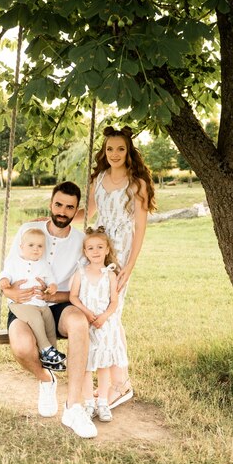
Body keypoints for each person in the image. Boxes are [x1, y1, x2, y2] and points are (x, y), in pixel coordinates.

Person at [2, 181, 98, 439]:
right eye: (58, 204)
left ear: (77, 210)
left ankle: (73, 408)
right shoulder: (28, 230)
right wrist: (9, 291)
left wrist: (57, 295)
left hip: (59, 304)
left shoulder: (80, 241)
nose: (62, 211)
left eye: (70, 207)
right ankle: (46, 379)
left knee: (78, 323)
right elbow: (9, 268)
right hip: (26, 303)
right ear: (50, 203)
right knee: (22, 347)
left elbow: (80, 287)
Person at [75, 125, 156, 408]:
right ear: (104, 151)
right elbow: (87, 214)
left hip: (119, 255)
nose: (115, 154)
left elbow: (140, 229)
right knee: (98, 313)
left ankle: (119, 386)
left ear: (129, 151)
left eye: (120, 148)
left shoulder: (137, 184)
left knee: (111, 314)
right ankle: (114, 382)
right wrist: (53, 221)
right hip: (97, 252)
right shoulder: (98, 179)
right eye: (110, 149)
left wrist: (128, 267)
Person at [69, 226, 128, 423]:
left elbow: (114, 302)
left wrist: (103, 317)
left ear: (107, 250)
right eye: (90, 248)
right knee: (86, 364)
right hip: (87, 324)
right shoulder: (81, 273)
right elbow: (74, 297)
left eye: (99, 247)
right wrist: (87, 313)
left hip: (104, 325)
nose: (95, 252)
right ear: (85, 251)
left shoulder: (110, 275)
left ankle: (102, 401)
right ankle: (88, 403)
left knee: (103, 364)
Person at [0, 227, 66, 371]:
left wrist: (52, 286)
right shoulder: (14, 262)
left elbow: (50, 279)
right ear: (21, 247)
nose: (36, 249)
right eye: (31, 245)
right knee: (36, 319)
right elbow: (5, 275)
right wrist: (4, 281)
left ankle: (51, 357)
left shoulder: (43, 264)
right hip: (21, 304)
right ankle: (45, 348)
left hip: (40, 303)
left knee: (49, 322)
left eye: (40, 246)